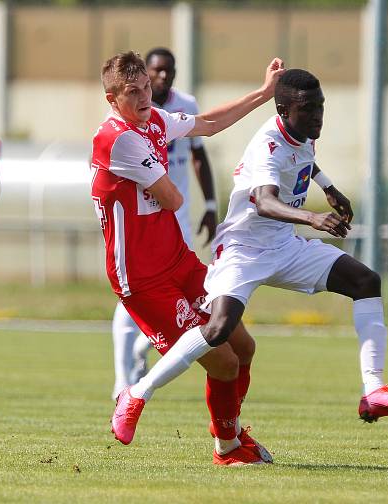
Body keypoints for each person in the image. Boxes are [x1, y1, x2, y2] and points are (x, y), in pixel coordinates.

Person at [112, 69, 388, 454]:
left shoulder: (301, 130)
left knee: (366, 281)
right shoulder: (267, 145)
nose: (318, 117)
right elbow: (264, 199)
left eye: (321, 107)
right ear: (283, 109)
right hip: (241, 250)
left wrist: (329, 188)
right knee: (219, 330)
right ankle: (137, 393)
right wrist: (313, 217)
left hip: (284, 246)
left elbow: (305, 157)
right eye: (309, 110)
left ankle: (373, 390)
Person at [92, 51, 283, 465]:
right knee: (224, 361)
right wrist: (164, 182)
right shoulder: (117, 139)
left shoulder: (154, 120)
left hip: (179, 261)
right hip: (142, 280)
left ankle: (229, 442)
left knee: (244, 347)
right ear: (112, 99)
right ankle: (141, 397)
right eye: (133, 92)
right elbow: (174, 197)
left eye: (146, 87)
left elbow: (209, 124)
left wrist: (264, 93)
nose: (145, 97)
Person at [110, 47, 219, 401]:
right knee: (132, 306)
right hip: (150, 229)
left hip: (179, 226)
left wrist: (212, 204)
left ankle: (145, 353)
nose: (160, 78)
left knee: (215, 309)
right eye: (154, 71)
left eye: (166, 71)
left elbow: (200, 152)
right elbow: (168, 195)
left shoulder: (181, 105)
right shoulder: (128, 124)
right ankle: (124, 380)